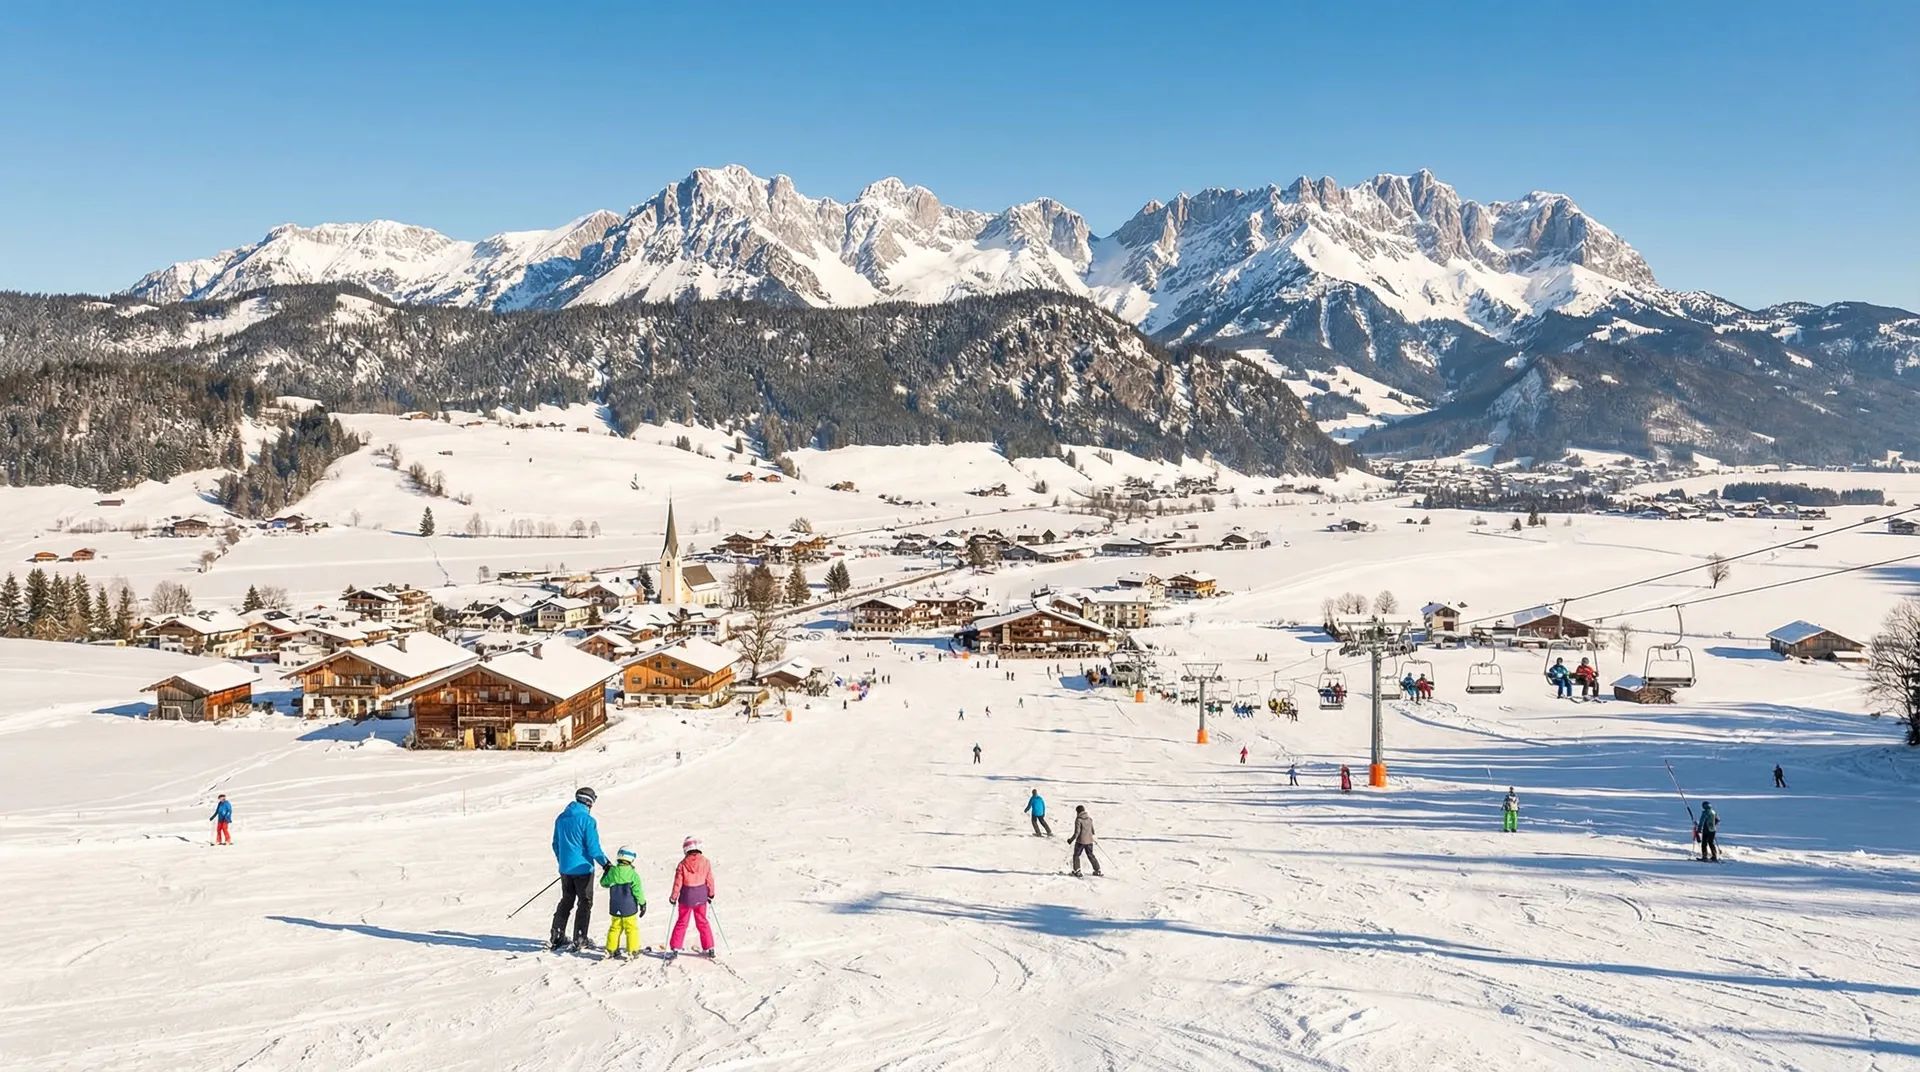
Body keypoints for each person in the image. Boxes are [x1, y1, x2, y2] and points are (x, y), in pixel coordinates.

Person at [550, 787, 611, 953]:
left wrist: (563, 861)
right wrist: (605, 864)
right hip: (583, 868)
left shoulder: (561, 818)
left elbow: (555, 844)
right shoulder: (587, 820)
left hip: (565, 869)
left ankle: (557, 935)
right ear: (589, 802)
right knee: (584, 903)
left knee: (566, 900)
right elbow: (593, 848)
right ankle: (580, 938)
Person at [669, 836, 718, 954]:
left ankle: (675, 947)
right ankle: (709, 947)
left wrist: (673, 897)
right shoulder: (706, 862)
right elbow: (709, 879)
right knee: (702, 921)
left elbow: (678, 883)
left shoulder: (682, 864)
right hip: (701, 897)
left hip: (686, 897)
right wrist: (711, 893)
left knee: (682, 921)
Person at [599, 847, 647, 960]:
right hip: (629, 908)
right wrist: (642, 903)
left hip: (615, 907)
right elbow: (638, 891)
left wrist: (606, 872)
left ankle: (610, 949)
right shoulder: (633, 875)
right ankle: (633, 950)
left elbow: (603, 883)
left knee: (615, 928)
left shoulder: (612, 871)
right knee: (631, 929)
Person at [1067, 805, 1101, 877]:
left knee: (1076, 855)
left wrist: (1071, 840)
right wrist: (1090, 837)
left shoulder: (1079, 820)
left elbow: (1077, 832)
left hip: (1081, 841)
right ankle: (1097, 870)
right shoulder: (1089, 819)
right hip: (1089, 840)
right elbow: (1092, 830)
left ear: (1077, 811)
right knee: (1090, 855)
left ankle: (1077, 870)